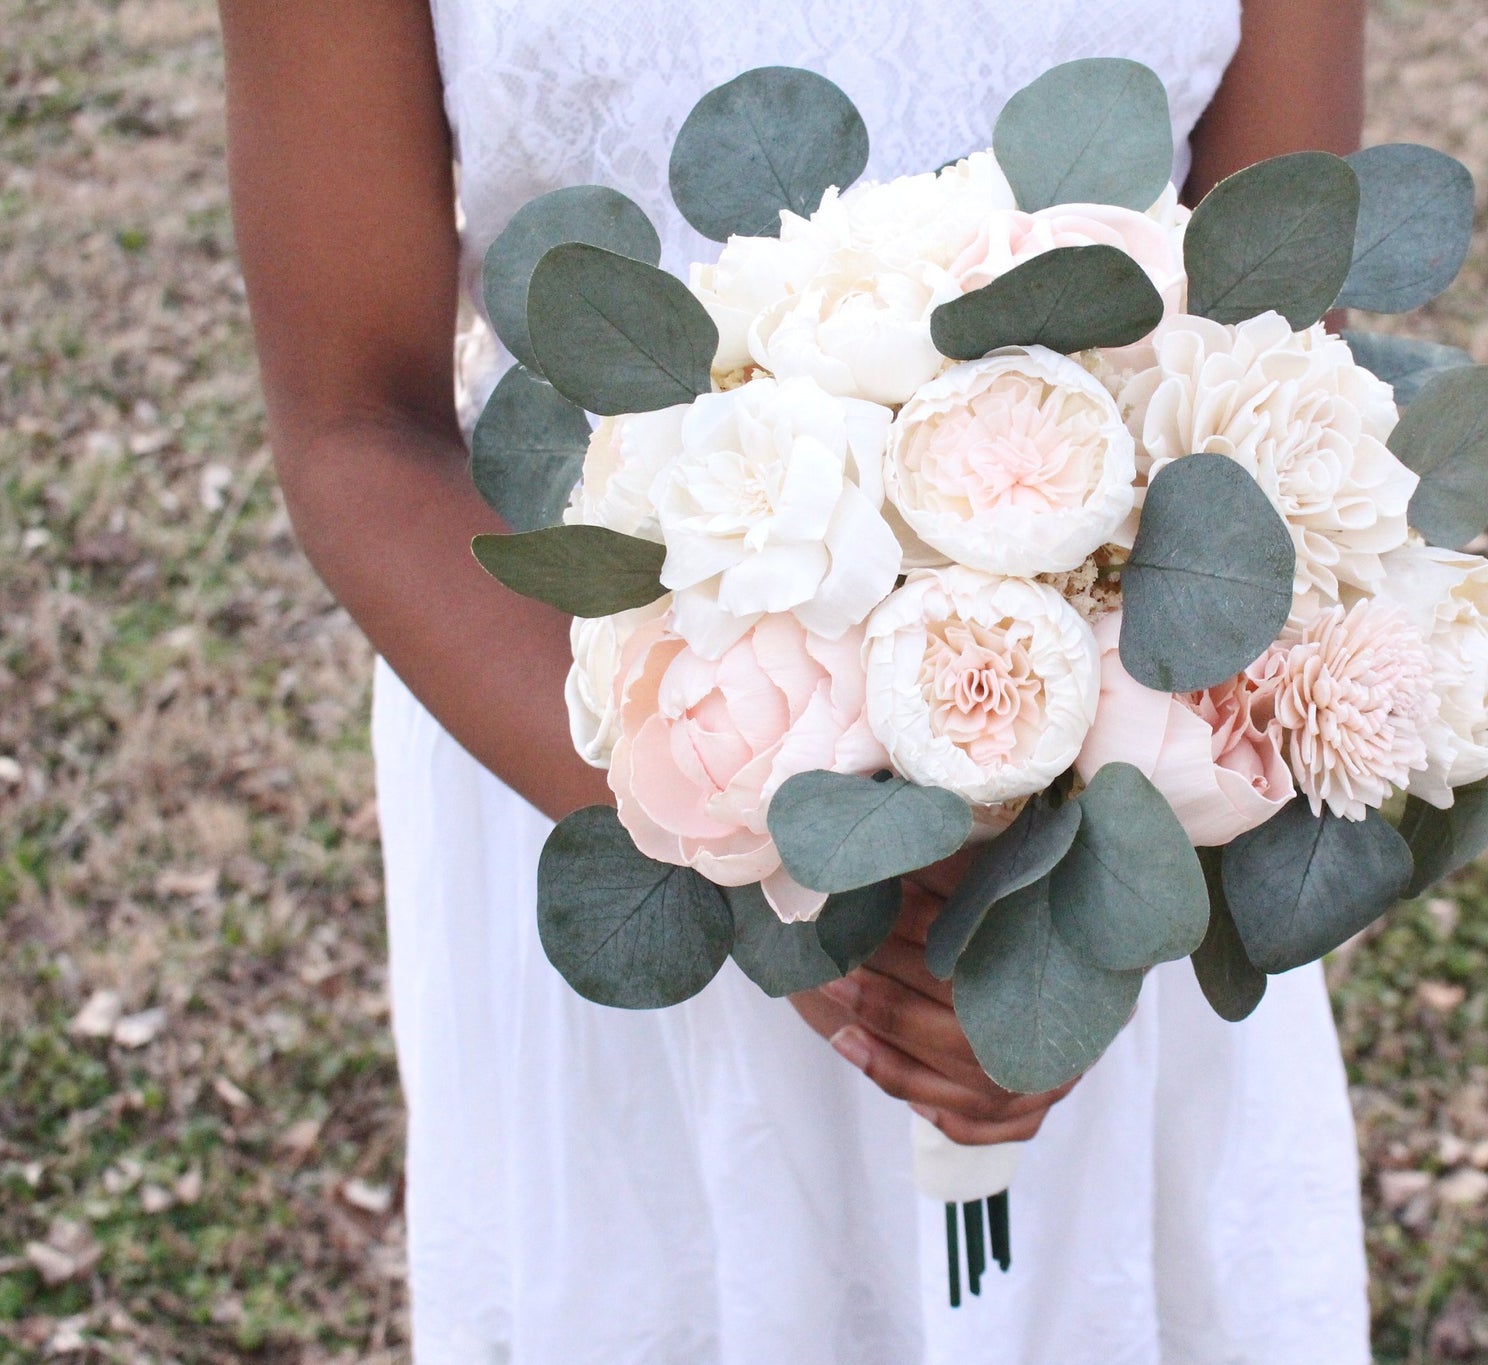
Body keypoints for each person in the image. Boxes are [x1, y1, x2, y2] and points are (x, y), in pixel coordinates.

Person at [218, 1, 1372, 1359]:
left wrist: (1055, 922)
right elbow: (357, 423)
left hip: (1117, 771)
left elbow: (1276, 344)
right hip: (609, 735)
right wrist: (779, 863)